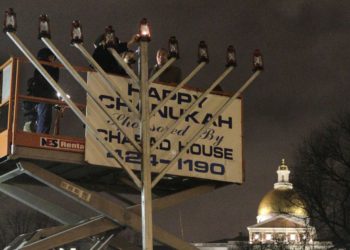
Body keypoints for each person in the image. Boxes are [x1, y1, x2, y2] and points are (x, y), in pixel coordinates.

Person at [23, 48, 59, 134]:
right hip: (43, 99)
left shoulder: (40, 68)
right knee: (44, 120)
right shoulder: (46, 68)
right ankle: (41, 138)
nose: (54, 60)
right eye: (52, 58)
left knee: (43, 120)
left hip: (42, 99)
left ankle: (40, 137)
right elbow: (47, 85)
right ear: (46, 57)